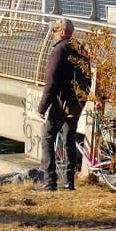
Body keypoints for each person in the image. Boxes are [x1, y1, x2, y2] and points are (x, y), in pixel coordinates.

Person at [37, 17, 91, 190]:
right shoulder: (80, 48)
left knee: (47, 137)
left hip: (61, 103)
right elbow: (88, 76)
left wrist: (42, 107)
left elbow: (51, 82)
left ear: (61, 32)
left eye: (54, 31)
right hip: (77, 102)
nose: (52, 34)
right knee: (69, 139)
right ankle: (69, 182)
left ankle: (50, 181)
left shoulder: (59, 50)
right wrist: (83, 99)